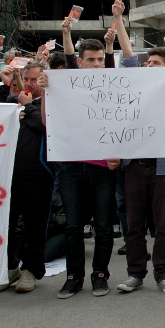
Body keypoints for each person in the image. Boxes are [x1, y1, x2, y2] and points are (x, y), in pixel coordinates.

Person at [105, 0, 165, 295]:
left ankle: (163, 275)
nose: (148, 65)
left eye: (155, 63)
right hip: (134, 167)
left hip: (164, 168)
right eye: (148, 62)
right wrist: (118, 18)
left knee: (162, 228)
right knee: (134, 225)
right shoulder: (136, 85)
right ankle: (135, 274)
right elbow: (128, 56)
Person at [45, 17, 120, 299]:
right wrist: (67, 34)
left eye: (101, 59)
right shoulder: (69, 84)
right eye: (92, 60)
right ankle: (73, 277)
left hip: (103, 168)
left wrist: (119, 156)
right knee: (74, 225)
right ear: (81, 61)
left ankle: (100, 274)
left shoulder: (112, 85)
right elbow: (69, 61)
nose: (98, 65)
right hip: (73, 167)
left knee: (103, 226)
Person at [0, 63, 54, 294]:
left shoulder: (48, 102)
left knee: (35, 225)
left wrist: (30, 109)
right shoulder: (13, 101)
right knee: (6, 224)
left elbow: (50, 127)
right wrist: (4, 86)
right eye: (27, 78)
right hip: (7, 175)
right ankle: (8, 267)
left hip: (38, 174)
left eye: (35, 79)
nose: (30, 83)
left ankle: (31, 270)